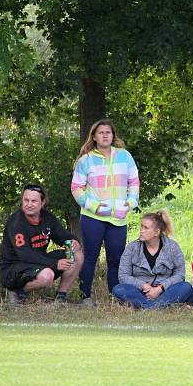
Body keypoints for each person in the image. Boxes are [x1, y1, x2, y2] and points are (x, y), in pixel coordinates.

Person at [71, 119, 140, 306]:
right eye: (100, 132)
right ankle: (85, 297)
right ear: (94, 136)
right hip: (93, 216)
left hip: (118, 217)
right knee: (90, 257)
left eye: (108, 132)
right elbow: (77, 187)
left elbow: (134, 182)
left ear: (113, 135)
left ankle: (115, 296)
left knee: (115, 259)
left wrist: (130, 203)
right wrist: (95, 206)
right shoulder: (86, 159)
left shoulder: (124, 156)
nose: (104, 135)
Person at [0, 184, 84, 306]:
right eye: (26, 200)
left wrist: (74, 241)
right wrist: (55, 264)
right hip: (14, 268)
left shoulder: (47, 218)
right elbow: (25, 254)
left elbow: (63, 236)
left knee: (77, 255)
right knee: (47, 275)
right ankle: (18, 293)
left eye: (34, 201)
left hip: (38, 262)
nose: (29, 204)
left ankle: (61, 297)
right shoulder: (16, 222)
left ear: (42, 203)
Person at [111, 210, 192, 309]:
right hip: (139, 292)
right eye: (141, 226)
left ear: (156, 232)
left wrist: (160, 289)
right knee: (118, 289)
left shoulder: (172, 247)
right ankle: (154, 307)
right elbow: (123, 276)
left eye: (146, 228)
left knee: (186, 287)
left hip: (164, 292)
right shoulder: (132, 247)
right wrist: (143, 286)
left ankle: (148, 306)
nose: (141, 230)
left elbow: (180, 274)